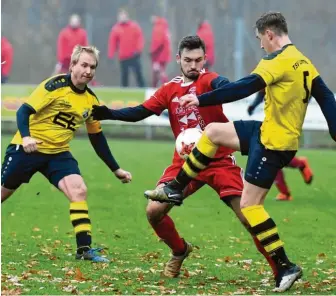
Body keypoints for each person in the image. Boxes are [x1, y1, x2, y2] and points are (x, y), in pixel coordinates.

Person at [144, 12, 336, 292]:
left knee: (250, 207)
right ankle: (175, 187)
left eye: (259, 39)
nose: (260, 45)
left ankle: (284, 266)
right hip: (264, 131)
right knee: (214, 132)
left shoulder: (275, 61)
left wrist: (200, 98)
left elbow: (243, 88)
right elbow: (325, 94)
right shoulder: (303, 60)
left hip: (274, 144)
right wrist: (335, 129)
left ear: (269, 34)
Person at [92, 35, 279, 279]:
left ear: (205, 59)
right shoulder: (170, 90)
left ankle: (280, 270)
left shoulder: (209, 79)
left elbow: (223, 85)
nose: (193, 65)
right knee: (153, 211)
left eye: (198, 60)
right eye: (188, 60)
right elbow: (141, 112)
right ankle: (179, 250)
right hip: (185, 164)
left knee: (248, 216)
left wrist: (225, 85)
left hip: (219, 161)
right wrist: (109, 113)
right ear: (178, 59)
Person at [1, 45, 132, 263]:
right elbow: (23, 110)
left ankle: (84, 250)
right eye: (83, 65)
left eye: (92, 67)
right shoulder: (54, 86)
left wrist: (115, 168)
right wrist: (26, 137)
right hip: (27, 149)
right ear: (72, 65)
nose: (88, 71)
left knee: (79, 190)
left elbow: (97, 137)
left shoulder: (91, 100)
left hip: (58, 154)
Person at [248, 90, 314, 201]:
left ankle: (299, 167)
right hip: (275, 122)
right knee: (274, 157)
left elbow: (312, 89)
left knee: (272, 157)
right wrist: (253, 105)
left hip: (284, 123)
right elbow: (261, 92)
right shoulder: (271, 76)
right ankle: (286, 190)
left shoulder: (285, 76)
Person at [108, 9, 145, 87]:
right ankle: (124, 91)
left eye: (124, 16)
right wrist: (111, 54)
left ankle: (143, 88)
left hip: (134, 55)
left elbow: (140, 38)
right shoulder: (116, 28)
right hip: (123, 56)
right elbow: (112, 42)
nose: (122, 18)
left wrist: (138, 50)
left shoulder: (134, 26)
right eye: (120, 16)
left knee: (138, 73)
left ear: (127, 16)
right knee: (124, 75)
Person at [150, 15, 171, 87]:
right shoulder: (164, 27)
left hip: (159, 55)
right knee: (158, 71)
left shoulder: (158, 28)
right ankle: (156, 86)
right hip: (165, 54)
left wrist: (153, 52)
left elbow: (158, 42)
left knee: (159, 71)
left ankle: (166, 86)